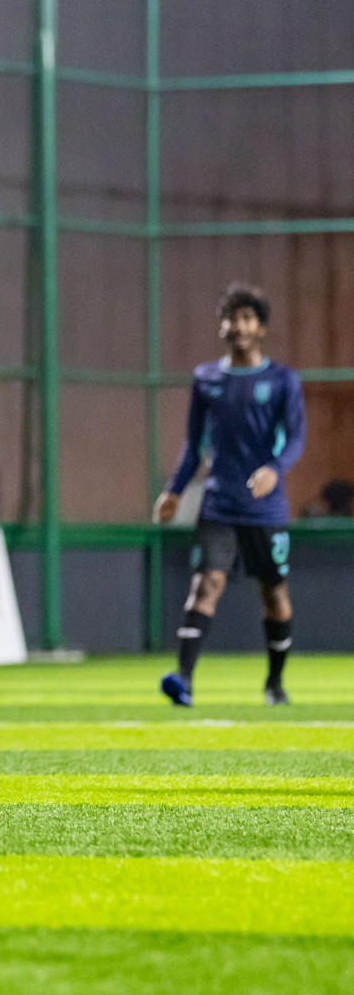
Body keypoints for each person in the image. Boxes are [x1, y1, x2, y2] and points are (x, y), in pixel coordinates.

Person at [154, 285, 304, 707]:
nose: (237, 326)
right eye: (231, 318)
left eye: (246, 318)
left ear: (261, 328)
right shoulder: (206, 379)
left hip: (265, 508)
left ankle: (275, 684)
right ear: (222, 326)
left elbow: (296, 439)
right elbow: (193, 443)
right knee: (206, 584)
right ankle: (182, 680)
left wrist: (274, 471)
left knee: (274, 594)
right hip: (218, 504)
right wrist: (174, 491)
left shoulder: (282, 380)